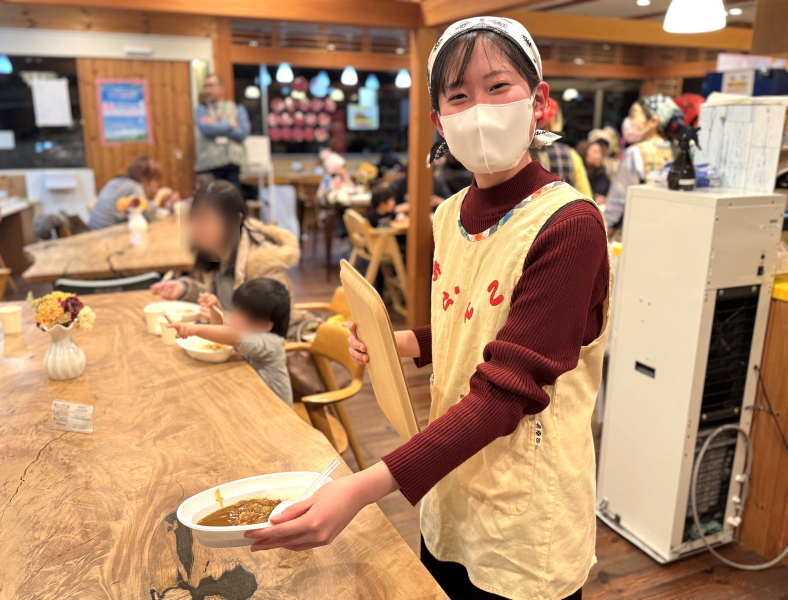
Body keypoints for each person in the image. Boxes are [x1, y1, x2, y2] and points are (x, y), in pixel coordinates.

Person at [246, 17, 610, 600]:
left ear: (539, 102)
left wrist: (361, 489)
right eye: (458, 96)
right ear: (440, 121)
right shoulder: (449, 214)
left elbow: (509, 387)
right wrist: (406, 342)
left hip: (525, 507)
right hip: (449, 481)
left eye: (498, 87)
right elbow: (471, 321)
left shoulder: (570, 226)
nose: (479, 109)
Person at [150, 180, 299, 315]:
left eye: (205, 219)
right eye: (194, 218)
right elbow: (223, 300)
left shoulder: (264, 266)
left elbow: (270, 332)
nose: (195, 228)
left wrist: (221, 318)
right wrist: (186, 290)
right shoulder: (217, 253)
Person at [166, 278, 293, 407]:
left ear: (264, 325)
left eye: (240, 314)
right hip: (249, 399)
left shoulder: (271, 344)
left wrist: (191, 329)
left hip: (275, 412)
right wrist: (215, 310)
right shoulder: (248, 331)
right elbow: (221, 335)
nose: (232, 316)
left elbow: (231, 336)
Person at [604, 94, 682, 237]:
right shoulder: (677, 150)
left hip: (637, 228)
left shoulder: (635, 152)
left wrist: (606, 225)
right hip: (669, 227)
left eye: (634, 114)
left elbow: (619, 198)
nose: (629, 121)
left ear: (653, 121)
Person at [195, 74, 251, 188]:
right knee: (210, 201)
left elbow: (243, 133)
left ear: (222, 88)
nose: (207, 90)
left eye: (211, 86)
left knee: (231, 201)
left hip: (232, 164)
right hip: (209, 165)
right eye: (205, 86)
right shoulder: (202, 108)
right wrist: (231, 124)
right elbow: (206, 130)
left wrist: (216, 126)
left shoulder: (237, 107)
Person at [88, 156, 174, 230]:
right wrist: (160, 195)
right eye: (154, 179)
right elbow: (148, 215)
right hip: (106, 234)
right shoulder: (135, 187)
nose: (157, 184)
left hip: (91, 229)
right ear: (142, 176)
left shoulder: (115, 180)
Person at [531, 98, 593, 198]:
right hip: (562, 212)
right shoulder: (570, 155)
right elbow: (585, 197)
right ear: (553, 121)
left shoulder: (519, 152)